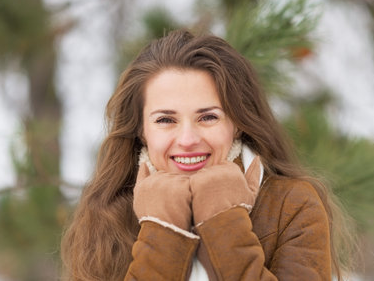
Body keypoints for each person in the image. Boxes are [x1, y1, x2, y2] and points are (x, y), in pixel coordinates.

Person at [61, 29, 353, 280]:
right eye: (165, 120)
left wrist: (223, 220)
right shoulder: (108, 213)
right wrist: (162, 230)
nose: (187, 140)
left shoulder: (292, 204)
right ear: (141, 130)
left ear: (237, 123)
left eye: (208, 117)